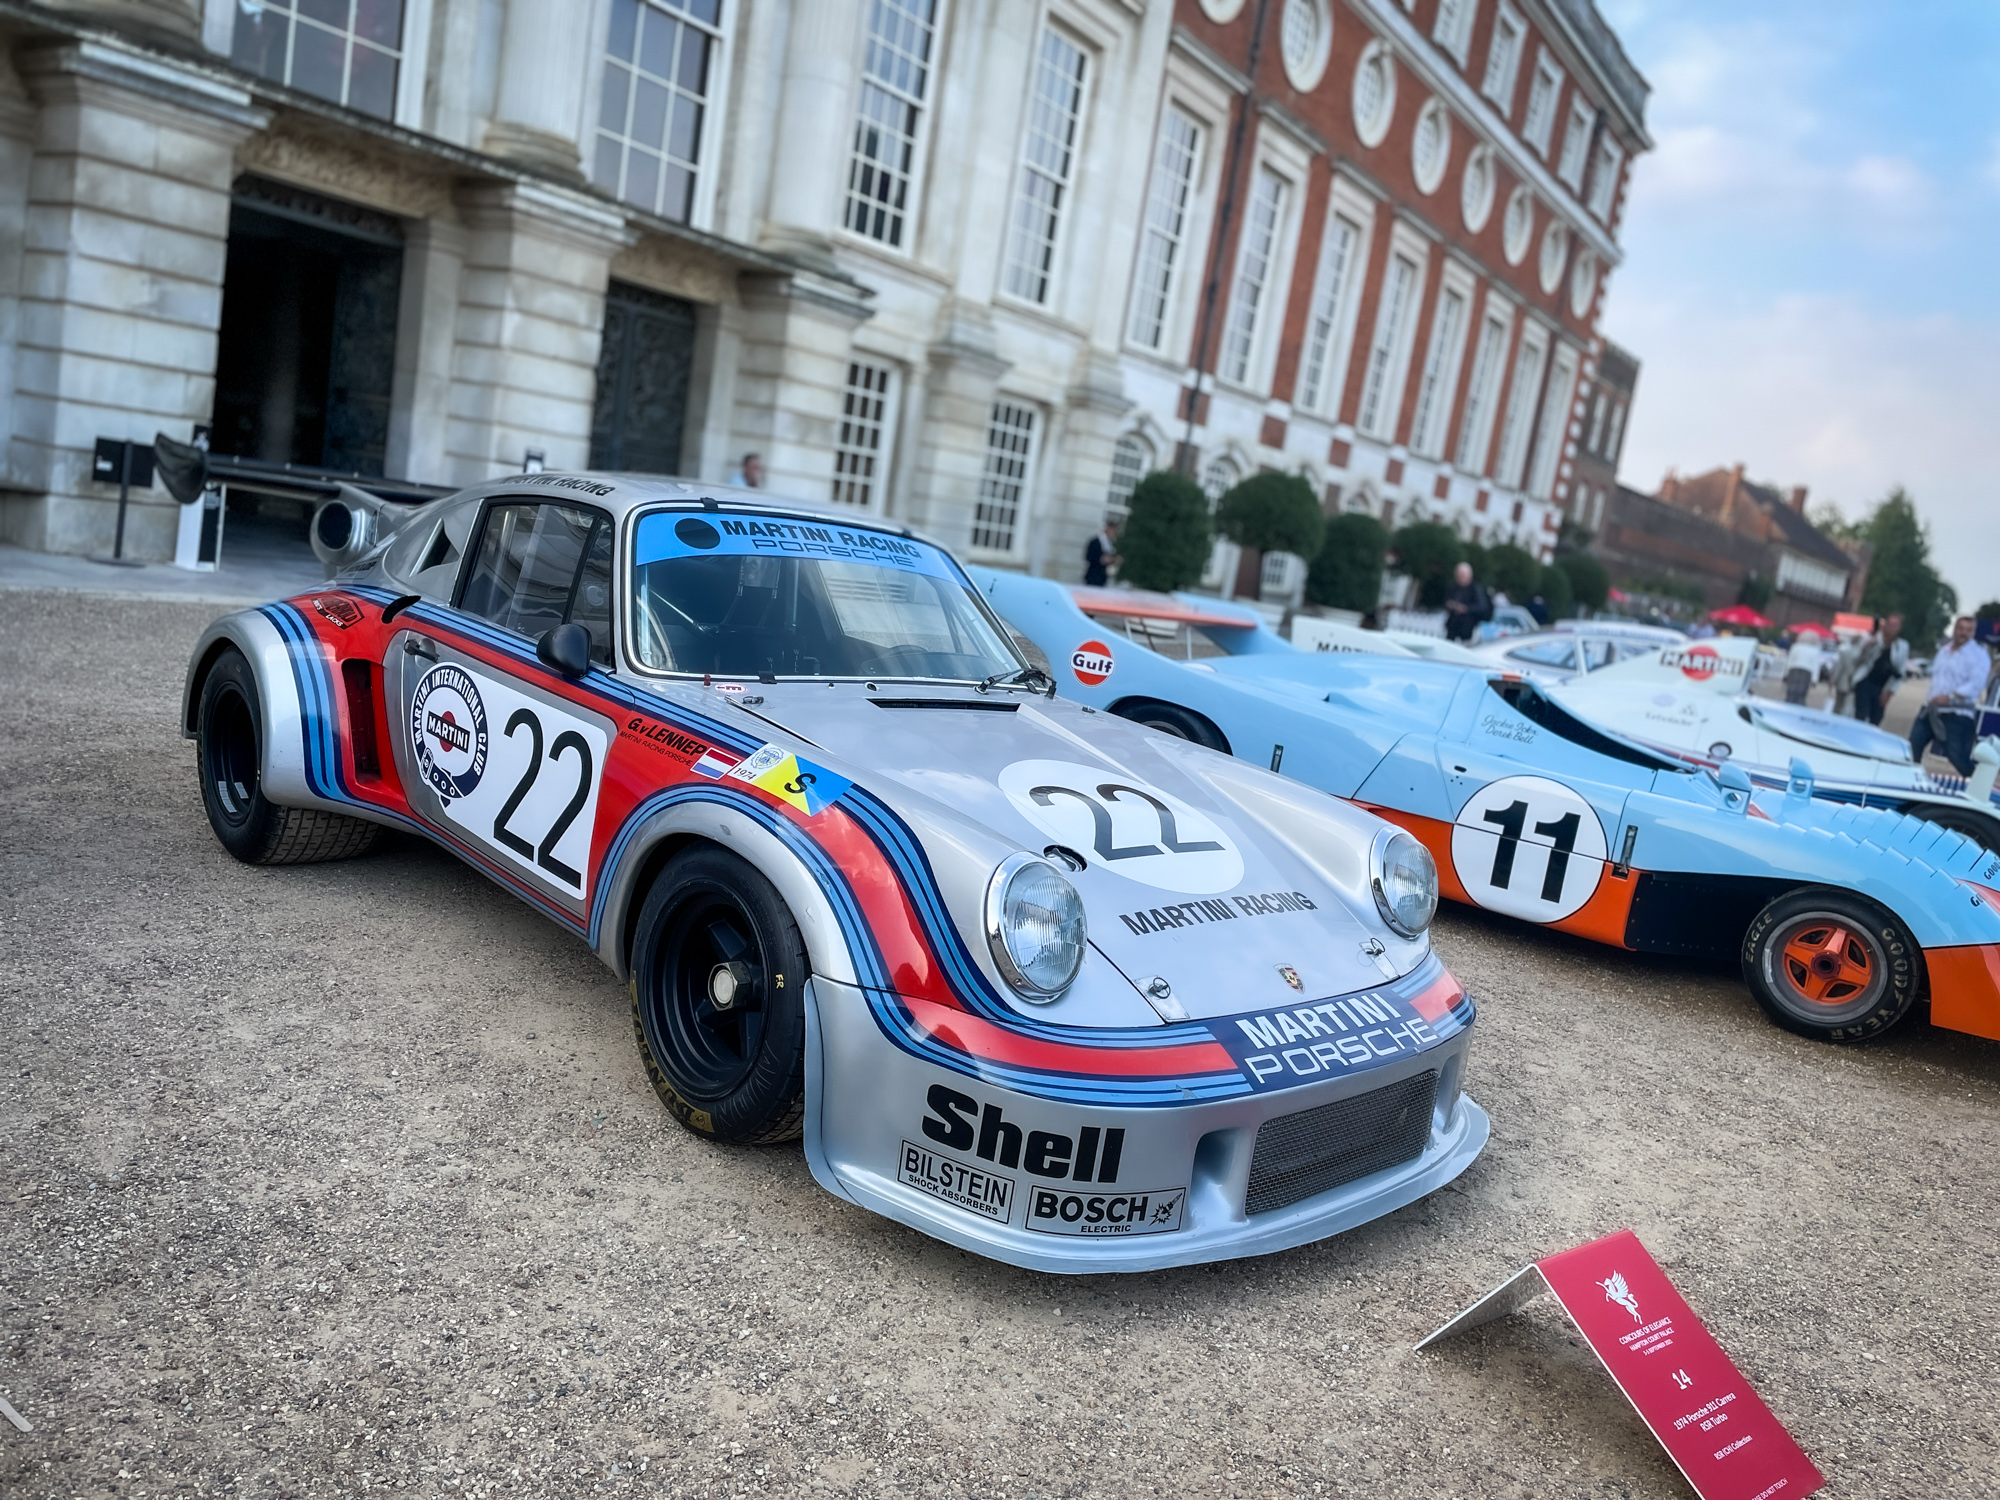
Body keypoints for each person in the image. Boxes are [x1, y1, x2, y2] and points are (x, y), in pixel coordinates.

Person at [1911, 615, 1988, 776]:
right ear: (1955, 629)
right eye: (1961, 629)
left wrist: (1950, 697)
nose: (1963, 633)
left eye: (1968, 630)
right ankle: (1910, 780)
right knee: (1912, 748)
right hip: (1931, 710)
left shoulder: (1979, 655)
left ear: (1973, 632)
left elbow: (1976, 684)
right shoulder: (1944, 651)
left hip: (1956, 713)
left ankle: (1979, 785)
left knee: (1958, 757)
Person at [1851, 613, 1906, 725]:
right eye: (1889, 624)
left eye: (1894, 625)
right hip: (1866, 681)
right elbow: (1857, 659)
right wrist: (1869, 645)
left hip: (1883, 686)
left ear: (1899, 628)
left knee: (1876, 718)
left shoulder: (1901, 646)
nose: (1891, 628)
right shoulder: (1873, 638)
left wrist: (1889, 692)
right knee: (1861, 715)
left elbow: (1900, 672)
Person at [1442, 562, 1491, 643]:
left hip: (1469, 628)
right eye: (1459, 575)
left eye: (1462, 575)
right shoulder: (1453, 588)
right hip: (1453, 626)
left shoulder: (1476, 589)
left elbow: (1482, 607)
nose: (1460, 577)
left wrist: (1466, 609)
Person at [1783, 631, 1819, 705]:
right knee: (1801, 693)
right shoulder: (1815, 650)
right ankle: (1799, 705)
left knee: (1791, 691)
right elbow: (1815, 665)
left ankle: (1788, 704)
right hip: (1807, 672)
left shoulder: (1795, 647)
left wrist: (1785, 674)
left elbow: (1789, 660)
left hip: (1793, 669)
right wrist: (1814, 679)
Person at [1083, 517, 1119, 586]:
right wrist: (1101, 559)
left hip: (1103, 577)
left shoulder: (1111, 543)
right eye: (1112, 530)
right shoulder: (1095, 542)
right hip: (1093, 576)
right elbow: (1088, 557)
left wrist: (1114, 559)